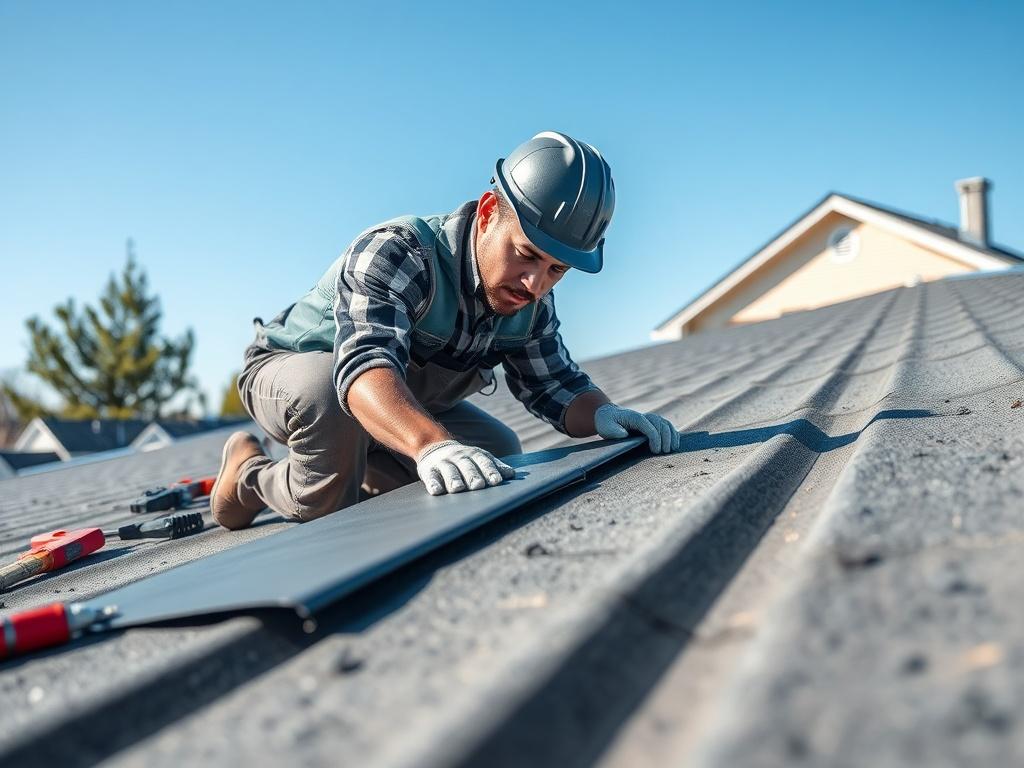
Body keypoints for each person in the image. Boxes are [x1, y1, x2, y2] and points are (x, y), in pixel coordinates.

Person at [211, 130, 682, 529]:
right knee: (329, 481)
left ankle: (364, 457)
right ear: (488, 212)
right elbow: (363, 367)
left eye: (557, 270)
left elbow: (554, 384)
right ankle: (249, 475)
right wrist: (430, 446)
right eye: (527, 254)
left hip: (394, 403)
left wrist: (607, 414)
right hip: (299, 374)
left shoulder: (528, 298)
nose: (535, 283)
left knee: (498, 454)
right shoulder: (399, 253)